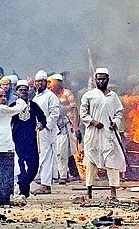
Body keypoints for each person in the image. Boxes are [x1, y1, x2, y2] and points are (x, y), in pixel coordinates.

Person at [79, 68, 126, 200]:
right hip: (93, 133)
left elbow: (119, 112)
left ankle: (113, 191)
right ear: (95, 80)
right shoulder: (89, 95)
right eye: (98, 79)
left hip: (108, 134)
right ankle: (89, 190)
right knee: (91, 162)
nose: (101, 81)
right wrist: (93, 122)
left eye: (103, 79)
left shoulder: (113, 96)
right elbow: (83, 113)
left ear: (107, 79)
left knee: (112, 162)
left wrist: (115, 122)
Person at [11, 80, 46, 200]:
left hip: (31, 140)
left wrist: (41, 124)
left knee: (34, 166)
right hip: (17, 140)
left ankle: (23, 184)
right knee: (20, 166)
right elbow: (6, 121)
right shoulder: (12, 107)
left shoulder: (34, 105)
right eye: (21, 90)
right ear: (16, 92)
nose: (23, 92)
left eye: (25, 90)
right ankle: (24, 190)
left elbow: (43, 118)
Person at [31, 70, 60, 194]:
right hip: (37, 131)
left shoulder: (50, 96)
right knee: (40, 156)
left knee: (46, 157)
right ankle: (42, 181)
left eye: (42, 81)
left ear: (46, 83)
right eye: (37, 81)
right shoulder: (35, 97)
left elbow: (54, 114)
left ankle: (45, 185)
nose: (40, 84)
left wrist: (45, 125)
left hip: (47, 131)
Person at [49, 73, 80, 184]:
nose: (51, 84)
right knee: (62, 151)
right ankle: (66, 174)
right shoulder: (50, 94)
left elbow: (74, 109)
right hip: (55, 126)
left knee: (65, 151)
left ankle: (67, 174)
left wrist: (75, 126)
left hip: (67, 125)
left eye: (53, 82)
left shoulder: (67, 93)